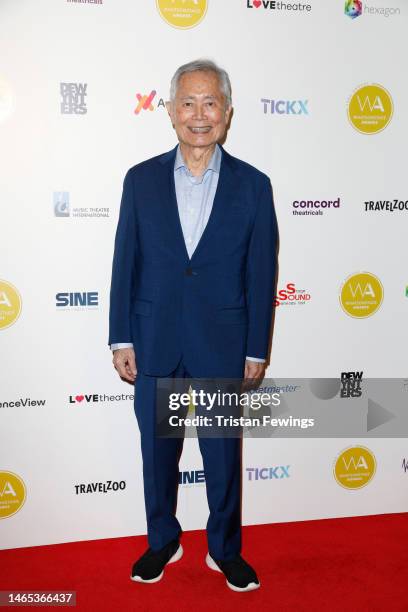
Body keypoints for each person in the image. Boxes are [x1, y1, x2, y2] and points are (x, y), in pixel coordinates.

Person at [109, 59, 278, 592]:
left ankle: (224, 549)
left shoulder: (254, 186)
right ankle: (163, 540)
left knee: (222, 457)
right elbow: (124, 263)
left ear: (227, 114)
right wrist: (121, 336)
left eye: (210, 104)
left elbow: (260, 271)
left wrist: (256, 347)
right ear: (170, 111)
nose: (199, 115)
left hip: (221, 345)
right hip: (155, 341)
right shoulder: (140, 180)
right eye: (188, 102)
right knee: (157, 456)